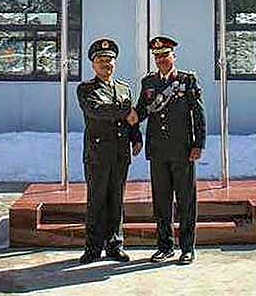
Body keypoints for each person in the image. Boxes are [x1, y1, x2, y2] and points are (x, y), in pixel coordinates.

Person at [133, 35, 206, 265]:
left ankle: (187, 248)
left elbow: (198, 114)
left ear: (173, 56)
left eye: (165, 55)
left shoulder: (187, 80)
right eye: (157, 56)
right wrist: (133, 131)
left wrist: (198, 144)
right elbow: (140, 112)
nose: (161, 60)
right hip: (158, 151)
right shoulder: (148, 83)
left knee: (185, 201)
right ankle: (165, 246)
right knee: (161, 202)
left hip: (182, 150)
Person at [75, 38, 143, 264]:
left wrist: (136, 138)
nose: (107, 65)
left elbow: (132, 120)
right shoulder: (86, 89)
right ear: (93, 65)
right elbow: (97, 111)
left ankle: (115, 245)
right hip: (98, 155)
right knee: (97, 201)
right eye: (102, 61)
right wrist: (125, 112)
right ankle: (93, 248)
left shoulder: (124, 88)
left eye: (110, 61)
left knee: (116, 200)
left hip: (120, 154)